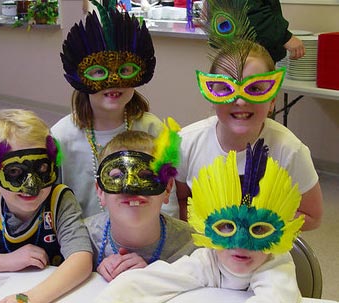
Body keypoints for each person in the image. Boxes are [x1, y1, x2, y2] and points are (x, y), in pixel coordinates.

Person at [94, 139, 305, 303]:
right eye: (226, 227)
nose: (240, 243)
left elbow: (276, 298)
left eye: (259, 229)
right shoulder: (208, 258)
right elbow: (148, 282)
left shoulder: (275, 261)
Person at [176, 0, 322, 230]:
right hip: (202, 254)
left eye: (255, 88)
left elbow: (312, 216)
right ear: (212, 95)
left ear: (273, 99)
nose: (241, 101)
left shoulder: (290, 150)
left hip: (263, 256)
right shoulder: (186, 143)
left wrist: (257, 224)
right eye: (227, 89)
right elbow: (180, 200)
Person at [51, 0, 179, 218]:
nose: (113, 81)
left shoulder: (152, 129)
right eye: (98, 72)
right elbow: (53, 203)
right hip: (81, 241)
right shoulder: (61, 136)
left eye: (125, 69)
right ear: (80, 77)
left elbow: (168, 201)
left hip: (145, 236)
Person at [0, 109, 93, 303]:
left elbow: (82, 259)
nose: (32, 186)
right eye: (15, 171)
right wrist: (9, 261)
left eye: (42, 168)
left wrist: (28, 299)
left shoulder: (59, 200)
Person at [85, 120, 198, 282]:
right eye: (117, 177)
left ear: (167, 188)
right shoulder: (81, 239)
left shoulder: (193, 246)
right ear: (100, 191)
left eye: (147, 176)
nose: (132, 186)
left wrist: (154, 275)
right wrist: (91, 273)